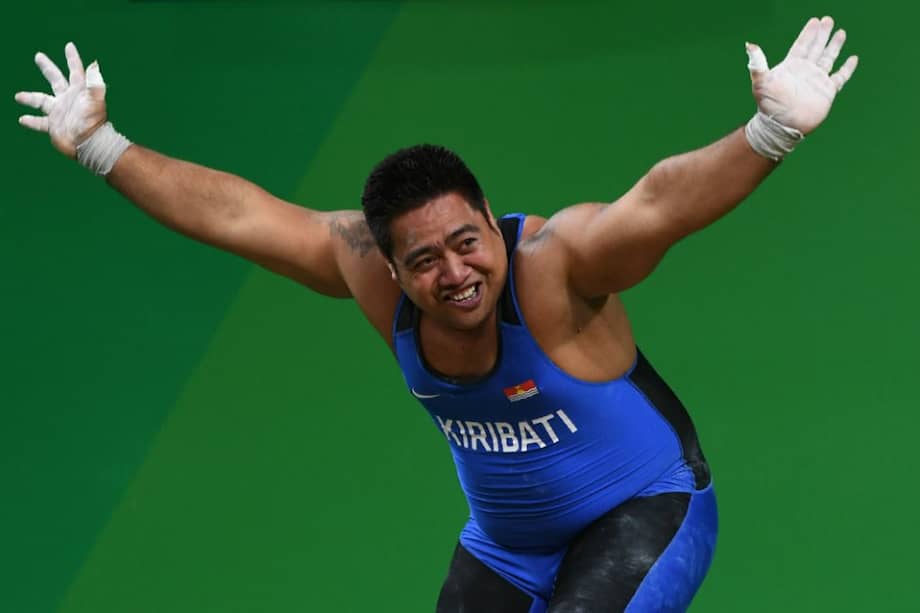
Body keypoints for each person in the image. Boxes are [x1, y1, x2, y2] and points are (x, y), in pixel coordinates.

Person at [15, 15, 857, 613]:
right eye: (425, 260)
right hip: (507, 544)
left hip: (648, 513)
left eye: (468, 241)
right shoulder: (367, 277)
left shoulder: (559, 267)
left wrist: (769, 133)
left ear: (491, 218)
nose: (457, 273)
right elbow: (240, 215)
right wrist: (102, 147)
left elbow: (659, 203)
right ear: (388, 264)